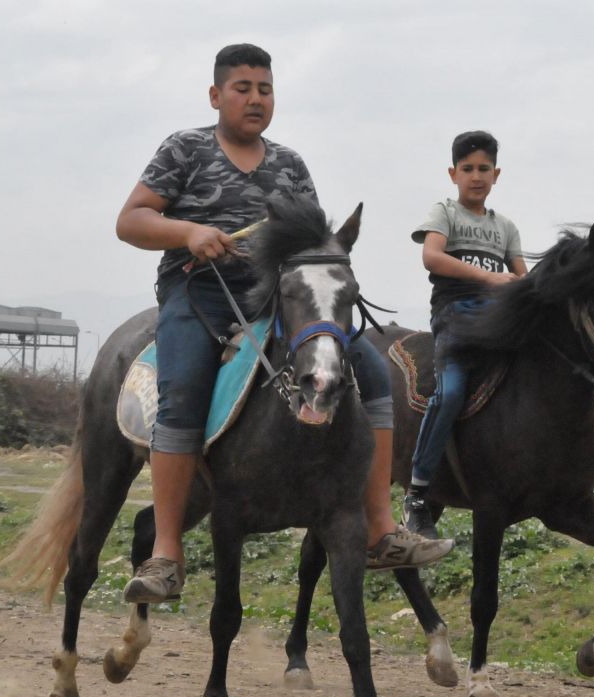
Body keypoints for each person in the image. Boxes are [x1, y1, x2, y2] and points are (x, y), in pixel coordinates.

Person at [115, 44, 452, 603]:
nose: (255, 99)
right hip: (200, 296)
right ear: (216, 94)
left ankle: (381, 530)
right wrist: (187, 233)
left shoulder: (290, 165)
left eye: (265, 90)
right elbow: (131, 220)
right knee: (182, 394)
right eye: (243, 88)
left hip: (275, 301)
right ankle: (166, 554)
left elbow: (313, 245)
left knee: (369, 369)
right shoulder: (185, 149)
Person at [403, 131, 527, 536]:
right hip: (456, 317)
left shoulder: (506, 227)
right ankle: (418, 492)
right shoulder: (445, 213)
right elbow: (432, 257)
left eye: (484, 169)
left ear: (497, 174)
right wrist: (490, 278)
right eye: (468, 169)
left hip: (500, 323)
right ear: (453, 173)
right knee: (451, 392)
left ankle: (580, 484)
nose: (476, 176)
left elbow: (522, 280)